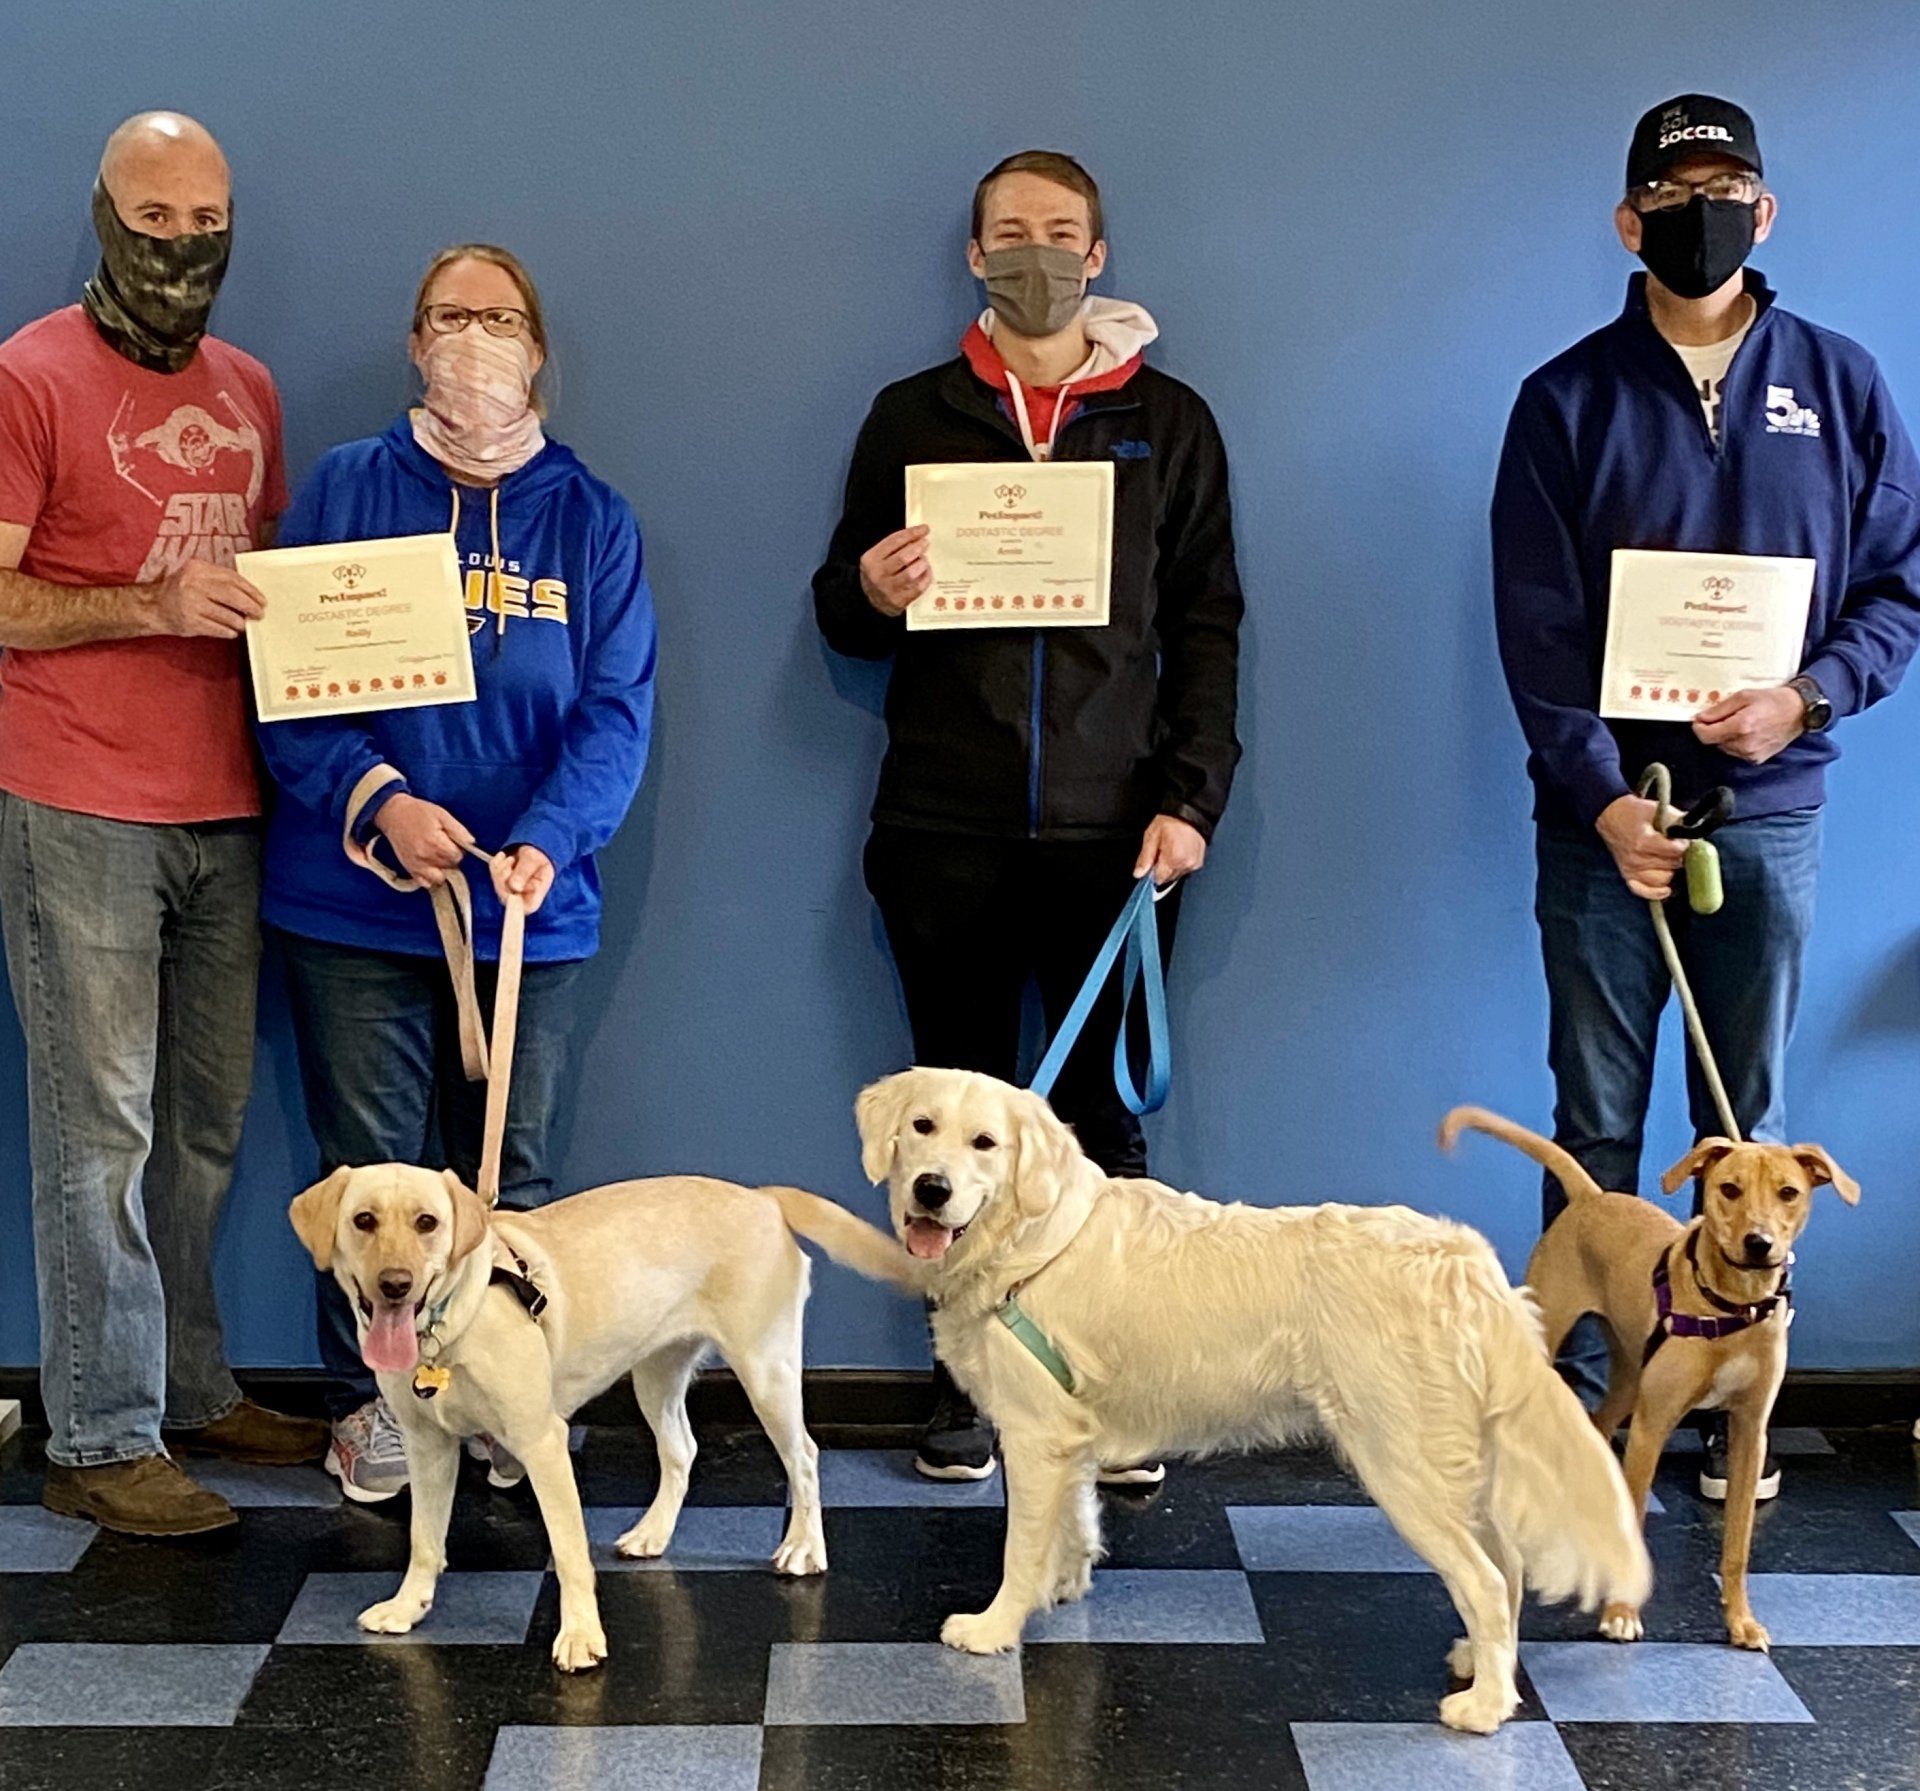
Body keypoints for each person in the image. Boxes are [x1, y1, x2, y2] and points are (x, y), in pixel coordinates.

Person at [1492, 95, 1920, 1501]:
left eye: (1728, 183)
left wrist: (1806, 698)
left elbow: (1897, 589)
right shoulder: (1565, 398)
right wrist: (1605, 797)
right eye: (1675, 190)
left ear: (1767, 210)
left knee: (1748, 1124)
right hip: (1602, 823)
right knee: (1597, 1121)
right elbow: (1538, 625)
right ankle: (1569, 1408)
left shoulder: (1844, 386)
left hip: (1771, 810)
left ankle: (1725, 1390)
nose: (1703, 208)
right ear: (1631, 220)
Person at [814, 151, 1243, 1482]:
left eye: (1060, 234)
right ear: (976, 256)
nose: (1035, 253)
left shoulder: (1169, 422)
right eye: (1011, 235)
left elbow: (1208, 625)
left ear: (1099, 256)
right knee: (950, 1130)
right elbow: (839, 607)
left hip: (1119, 837)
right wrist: (873, 593)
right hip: (945, 827)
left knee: (1106, 1135)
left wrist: (1190, 797)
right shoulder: (913, 412)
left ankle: (1112, 1391)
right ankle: (973, 1388)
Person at [257, 244, 657, 1502]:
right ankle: (375, 1408)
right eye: (448, 317)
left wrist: (547, 838)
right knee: (368, 1176)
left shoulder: (592, 518)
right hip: (357, 897)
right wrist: (379, 799)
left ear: (537, 348)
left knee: (511, 1180)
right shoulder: (345, 486)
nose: (474, 339)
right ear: (414, 343)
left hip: (528, 909)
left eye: (498, 317)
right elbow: (291, 683)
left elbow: (616, 710)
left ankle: (503, 1398)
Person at [0, 112, 326, 1535]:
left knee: (203, 1124)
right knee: (100, 1126)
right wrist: (150, 604)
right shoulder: (27, 375)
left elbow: (277, 597)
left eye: (208, 221)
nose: (184, 246)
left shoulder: (250, 386)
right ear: (103, 215)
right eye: (155, 219)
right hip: (76, 797)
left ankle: (190, 1386)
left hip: (227, 802)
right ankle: (98, 1428)